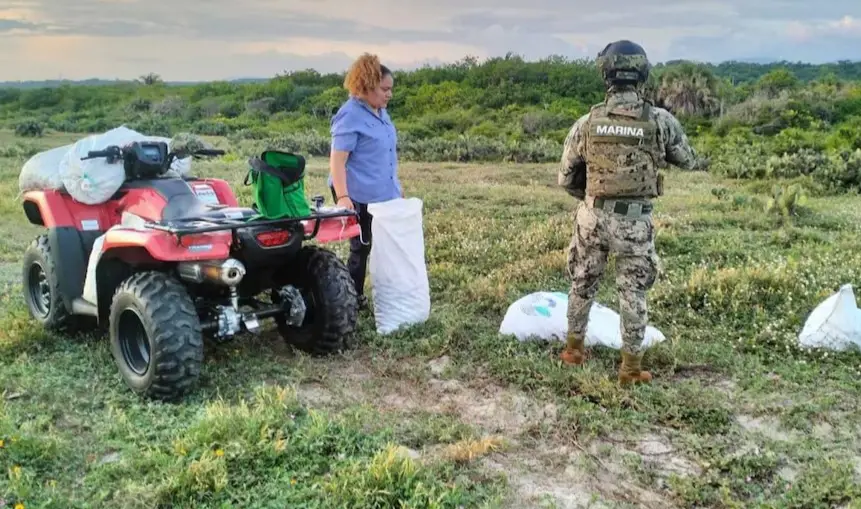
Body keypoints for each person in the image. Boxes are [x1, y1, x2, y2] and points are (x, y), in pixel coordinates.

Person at [557, 40, 707, 385]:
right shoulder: (660, 120)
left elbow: (565, 176)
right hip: (635, 220)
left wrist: (591, 196)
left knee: (582, 282)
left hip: (592, 215)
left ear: (606, 74)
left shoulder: (587, 122)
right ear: (641, 72)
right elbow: (688, 159)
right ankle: (630, 369)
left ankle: (573, 351)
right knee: (633, 292)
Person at [328, 53, 403, 308]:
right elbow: (337, 161)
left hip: (384, 192)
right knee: (362, 247)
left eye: (391, 89)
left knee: (389, 245)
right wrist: (343, 197)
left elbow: (386, 154)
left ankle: (388, 294)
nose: (389, 94)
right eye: (384, 89)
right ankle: (354, 299)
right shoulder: (350, 116)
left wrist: (395, 190)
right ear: (367, 86)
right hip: (357, 194)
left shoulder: (381, 112)